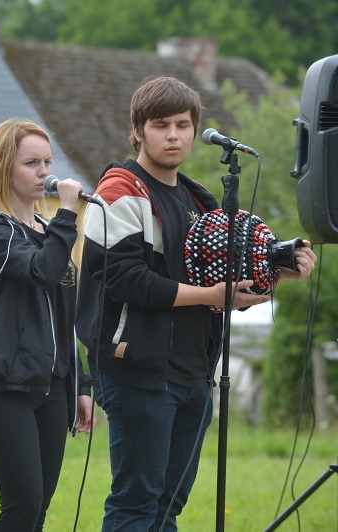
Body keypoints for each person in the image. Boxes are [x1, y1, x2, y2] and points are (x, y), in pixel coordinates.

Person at [76, 76, 318, 530]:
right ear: (137, 131)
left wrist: (276, 275)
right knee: (136, 504)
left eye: (183, 125)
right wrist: (210, 295)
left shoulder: (196, 199)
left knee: (168, 507)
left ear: (194, 130)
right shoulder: (118, 192)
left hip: (194, 372)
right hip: (138, 370)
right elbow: (125, 280)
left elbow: (217, 293)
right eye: (161, 125)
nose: (173, 135)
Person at [0, 118, 95, 530]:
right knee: (21, 507)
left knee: (37, 512)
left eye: (47, 162)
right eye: (32, 163)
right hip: (5, 383)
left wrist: (81, 384)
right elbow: (42, 270)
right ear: (5, 168)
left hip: (52, 385)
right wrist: (68, 213)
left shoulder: (51, 231)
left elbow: (64, 316)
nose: (45, 173)